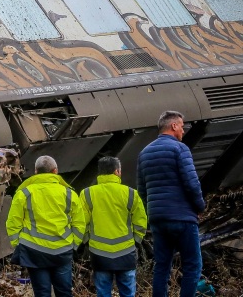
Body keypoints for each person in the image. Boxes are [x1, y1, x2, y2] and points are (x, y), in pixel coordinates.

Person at [137, 111, 205, 297]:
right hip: (182, 217)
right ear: (174, 126)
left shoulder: (144, 153)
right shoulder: (180, 149)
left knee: (162, 266)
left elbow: (141, 190)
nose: (183, 130)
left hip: (158, 219)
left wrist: (152, 213)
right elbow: (192, 183)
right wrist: (200, 206)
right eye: (182, 126)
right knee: (192, 264)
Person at [6, 156, 87, 297]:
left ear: (36, 172)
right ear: (55, 171)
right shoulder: (69, 193)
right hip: (62, 251)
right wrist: (73, 244)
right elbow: (80, 223)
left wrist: (19, 245)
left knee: (42, 293)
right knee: (64, 292)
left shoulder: (24, 193)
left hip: (33, 251)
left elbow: (13, 223)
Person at [82, 157, 147, 297]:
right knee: (128, 293)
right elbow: (141, 222)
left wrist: (87, 241)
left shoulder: (87, 194)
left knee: (103, 292)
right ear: (117, 171)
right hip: (126, 251)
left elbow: (81, 223)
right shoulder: (131, 193)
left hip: (99, 252)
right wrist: (135, 241)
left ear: (99, 173)